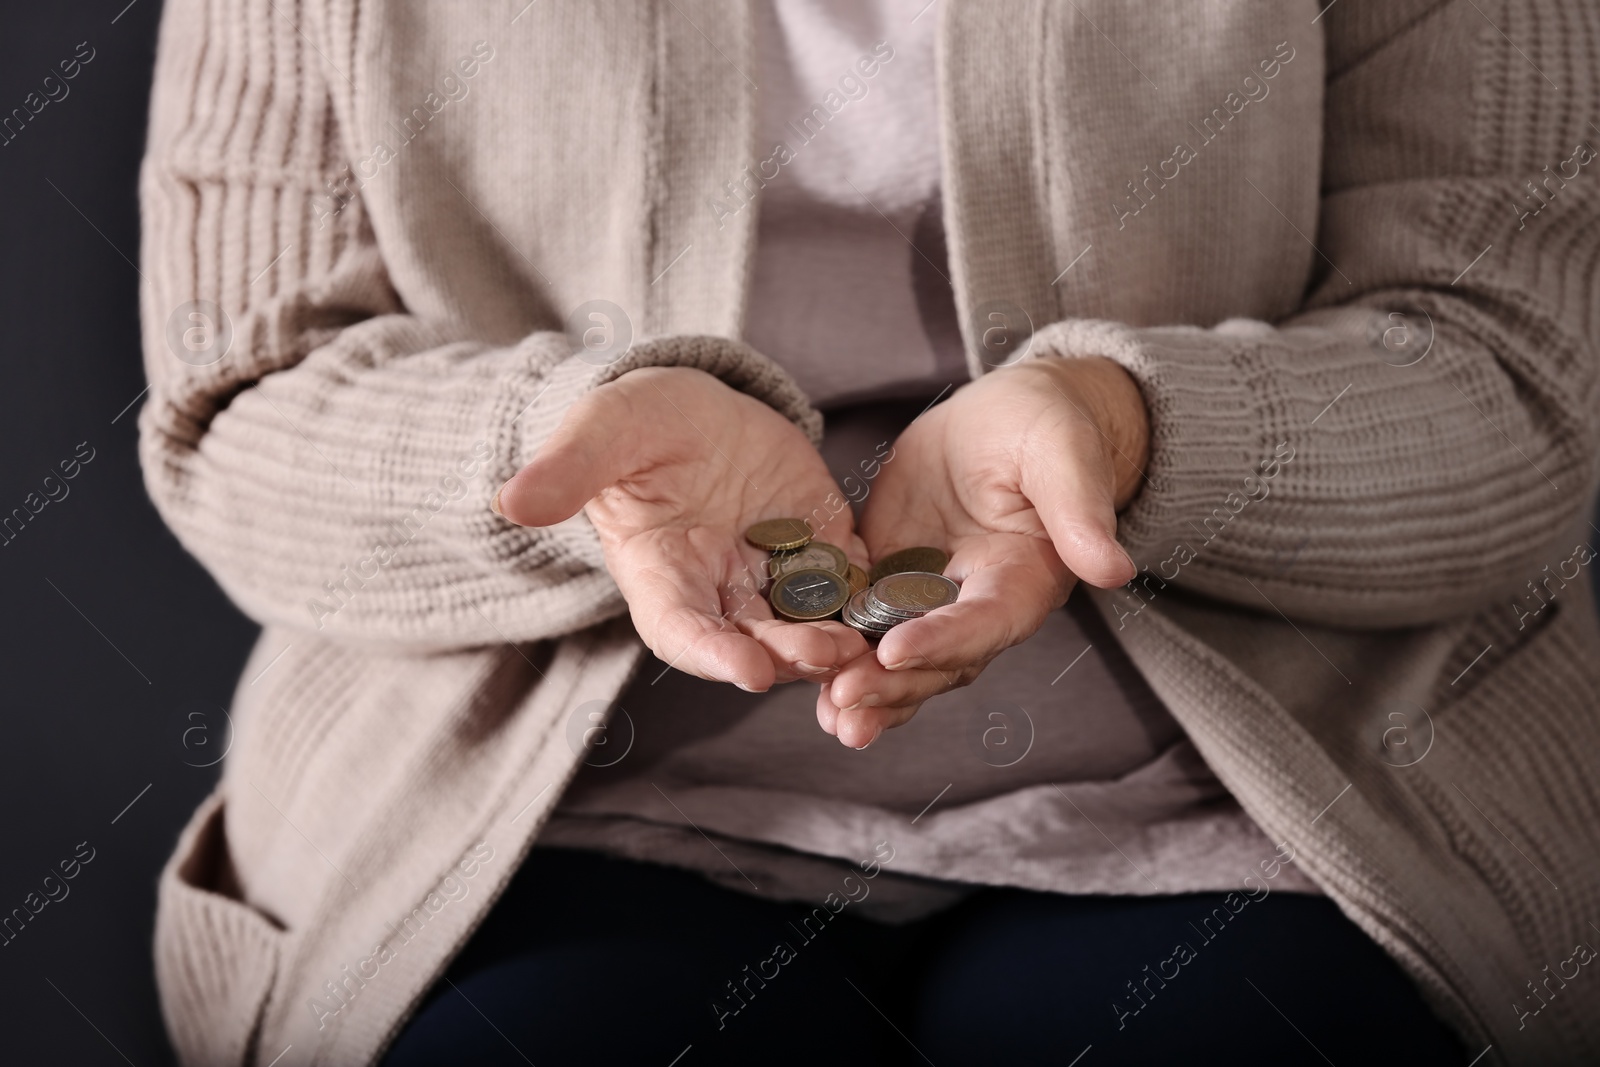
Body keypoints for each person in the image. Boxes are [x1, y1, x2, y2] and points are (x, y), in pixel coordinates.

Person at [137, 0, 1600, 1064]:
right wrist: (565, 459)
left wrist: (1136, 429)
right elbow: (239, 415)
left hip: (1278, 813)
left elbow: (1517, 380)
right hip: (525, 823)